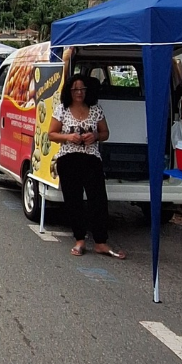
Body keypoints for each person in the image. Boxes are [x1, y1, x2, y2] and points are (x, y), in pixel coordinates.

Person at [48, 75, 124, 259]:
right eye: (75, 89)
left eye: (82, 89)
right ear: (69, 91)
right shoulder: (62, 110)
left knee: (98, 199)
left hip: (91, 157)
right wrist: (68, 137)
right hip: (68, 158)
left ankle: (100, 242)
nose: (79, 93)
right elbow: (51, 134)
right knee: (73, 200)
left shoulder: (96, 109)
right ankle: (79, 239)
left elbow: (105, 132)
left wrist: (95, 136)